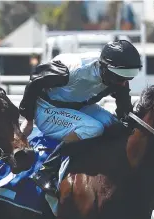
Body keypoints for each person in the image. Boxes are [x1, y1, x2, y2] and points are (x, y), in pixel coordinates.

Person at [18, 40, 142, 197]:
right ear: (105, 69)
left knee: (115, 125)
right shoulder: (71, 70)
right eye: (120, 78)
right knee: (93, 128)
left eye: (128, 78)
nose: (124, 82)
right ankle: (47, 169)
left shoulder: (117, 75)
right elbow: (34, 82)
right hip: (47, 109)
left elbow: (124, 111)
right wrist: (28, 118)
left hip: (76, 105)